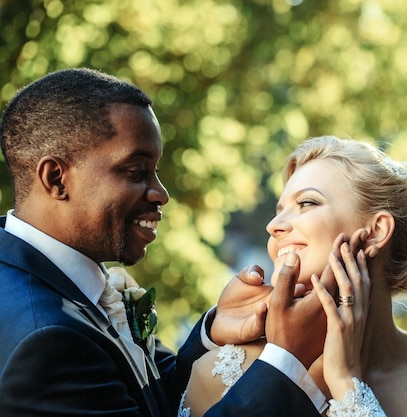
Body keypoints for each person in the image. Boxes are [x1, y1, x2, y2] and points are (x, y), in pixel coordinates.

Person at [0, 68, 335, 417]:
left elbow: (143, 400)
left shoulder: (62, 280)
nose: (161, 193)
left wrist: (212, 332)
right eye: (136, 172)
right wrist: (286, 360)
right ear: (56, 179)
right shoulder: (46, 342)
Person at [181, 135, 407, 416]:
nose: (274, 225)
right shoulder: (218, 372)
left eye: (306, 203)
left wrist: (347, 384)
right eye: (279, 209)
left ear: (375, 232)